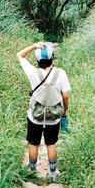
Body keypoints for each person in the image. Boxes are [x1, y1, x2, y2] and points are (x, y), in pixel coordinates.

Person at [17, 41, 71, 179]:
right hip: (53, 117)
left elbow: (20, 55)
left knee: (34, 143)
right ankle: (53, 172)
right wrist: (64, 111)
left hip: (35, 115)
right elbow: (65, 96)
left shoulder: (33, 72)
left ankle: (32, 170)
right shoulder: (61, 73)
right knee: (51, 144)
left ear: (37, 59)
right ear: (52, 57)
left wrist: (34, 46)